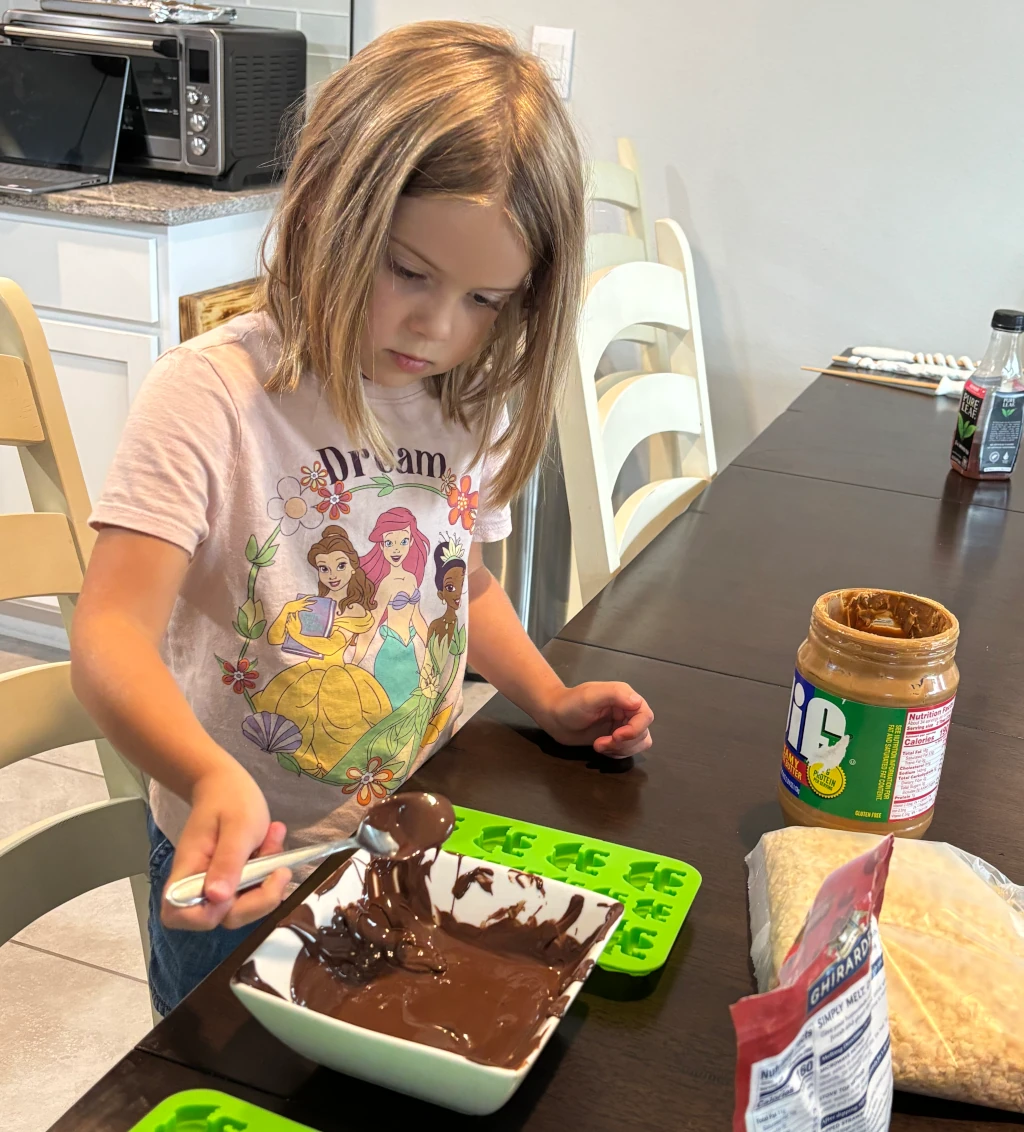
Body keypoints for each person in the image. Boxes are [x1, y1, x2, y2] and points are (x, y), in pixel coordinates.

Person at [70, 20, 655, 1019]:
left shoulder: (468, 400)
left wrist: (547, 696)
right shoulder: (213, 396)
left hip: (395, 825)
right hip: (239, 839)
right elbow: (108, 633)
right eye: (408, 272)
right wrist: (207, 773)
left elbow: (456, 577)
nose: (439, 326)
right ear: (322, 212)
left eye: (485, 298)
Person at [252, 525, 391, 779]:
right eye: (323, 568)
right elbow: (274, 638)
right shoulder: (316, 604)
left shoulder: (356, 609)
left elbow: (332, 645)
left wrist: (297, 634)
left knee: (339, 731)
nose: (332, 574)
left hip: (339, 677)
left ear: (352, 566)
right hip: (305, 674)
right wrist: (288, 611)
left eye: (339, 566)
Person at [351, 506, 431, 708]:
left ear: (411, 541)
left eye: (403, 541)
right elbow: (373, 623)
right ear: (382, 546)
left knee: (410, 706)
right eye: (389, 543)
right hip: (389, 651)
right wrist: (355, 661)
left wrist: (432, 653)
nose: (396, 549)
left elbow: (417, 618)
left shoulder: (411, 579)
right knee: (390, 707)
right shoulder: (386, 583)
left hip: (409, 649)